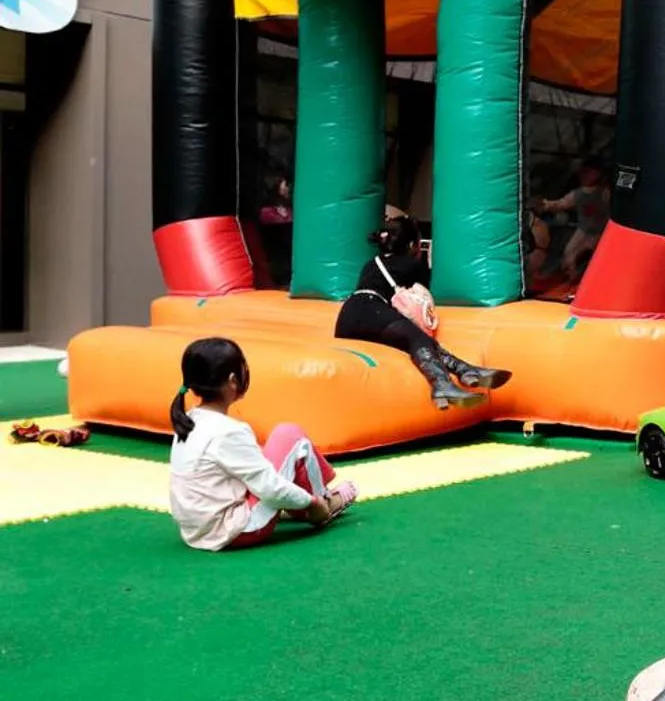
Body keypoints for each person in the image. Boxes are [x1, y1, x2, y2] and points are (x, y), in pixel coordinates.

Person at [168, 337, 357, 552]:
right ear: (233, 380)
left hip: (195, 531)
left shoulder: (188, 420)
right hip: (234, 530)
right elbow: (270, 487)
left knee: (278, 445)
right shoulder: (228, 431)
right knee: (292, 436)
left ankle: (307, 503)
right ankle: (323, 503)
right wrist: (311, 502)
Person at [335, 214, 511, 409]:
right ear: (412, 245)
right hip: (372, 309)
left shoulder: (371, 263)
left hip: (348, 315)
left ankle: (466, 371)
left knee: (414, 338)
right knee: (417, 339)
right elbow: (432, 285)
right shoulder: (411, 265)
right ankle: (442, 383)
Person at [538, 162, 610, 281]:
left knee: (596, 257)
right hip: (583, 230)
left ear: (598, 174)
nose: (585, 176)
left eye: (589, 173)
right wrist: (546, 205)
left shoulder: (605, 193)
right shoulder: (578, 194)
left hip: (601, 232)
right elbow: (561, 204)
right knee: (569, 253)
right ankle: (572, 279)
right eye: (583, 173)